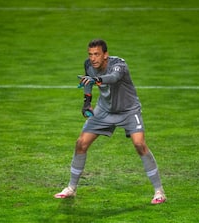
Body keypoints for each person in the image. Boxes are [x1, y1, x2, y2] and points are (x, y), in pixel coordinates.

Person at [54, 39, 166, 204]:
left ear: (105, 54)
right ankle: (71, 188)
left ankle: (159, 192)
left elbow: (113, 78)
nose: (93, 58)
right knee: (81, 143)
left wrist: (96, 80)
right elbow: (88, 82)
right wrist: (87, 103)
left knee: (139, 144)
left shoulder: (119, 65)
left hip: (129, 110)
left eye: (97, 54)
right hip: (104, 110)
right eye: (90, 54)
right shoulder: (88, 65)